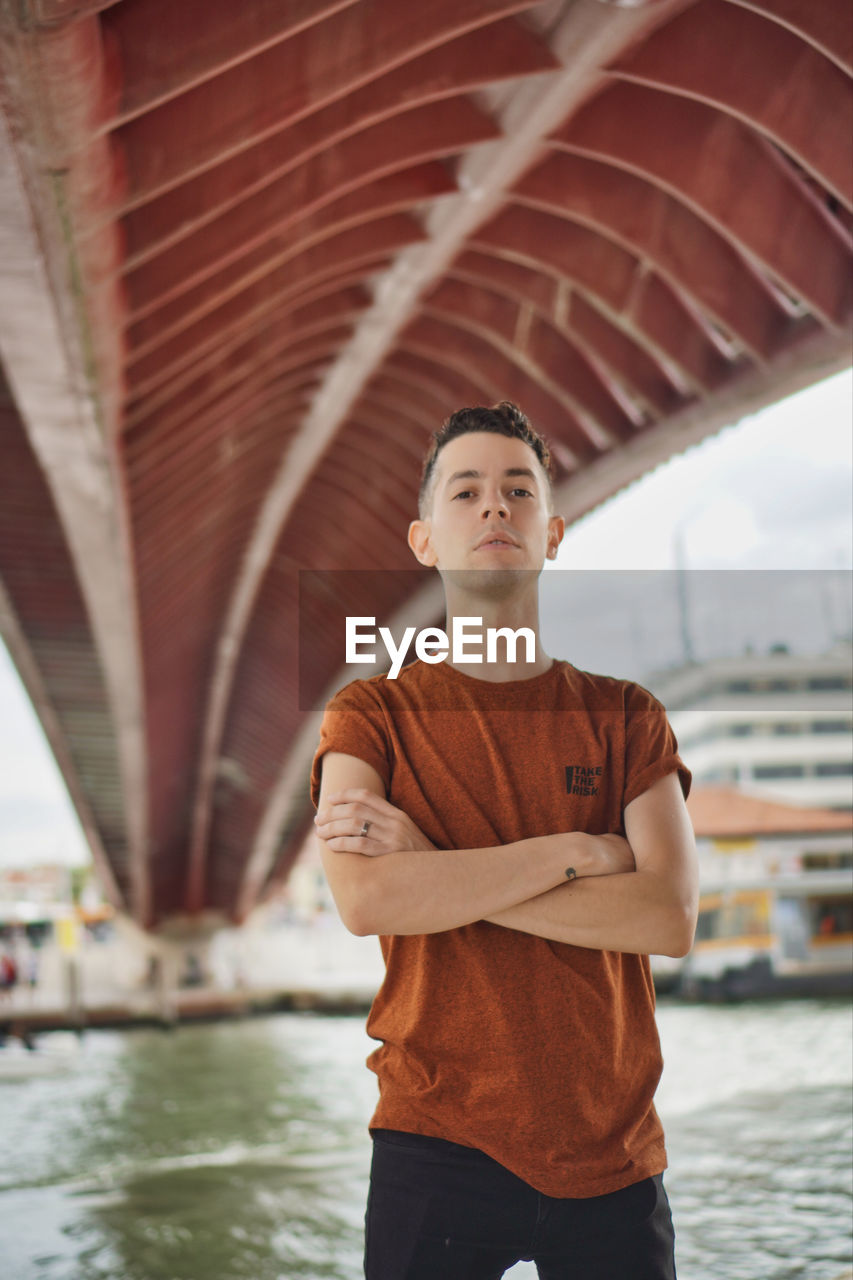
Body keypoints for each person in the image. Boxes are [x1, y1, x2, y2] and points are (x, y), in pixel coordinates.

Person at [311, 401, 698, 1279]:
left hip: (612, 1147)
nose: (495, 508)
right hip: (433, 1139)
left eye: (518, 491)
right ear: (422, 540)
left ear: (552, 532)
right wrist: (578, 850)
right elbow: (368, 899)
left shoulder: (627, 716)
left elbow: (668, 917)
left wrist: (436, 871)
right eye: (467, 492)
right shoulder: (369, 714)